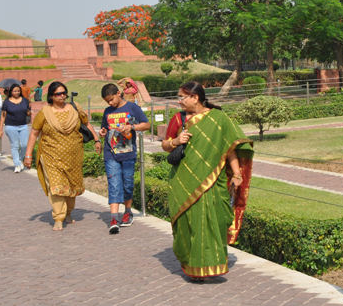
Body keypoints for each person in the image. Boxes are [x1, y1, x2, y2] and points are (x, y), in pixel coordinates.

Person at [163, 81, 254, 280]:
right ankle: (191, 264)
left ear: (195, 98)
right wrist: (176, 141)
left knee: (215, 222)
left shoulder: (218, 118)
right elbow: (165, 144)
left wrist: (237, 174)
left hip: (213, 182)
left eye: (182, 97)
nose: (179, 101)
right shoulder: (178, 119)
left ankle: (211, 264)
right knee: (188, 224)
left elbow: (229, 149)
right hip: (183, 180)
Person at [23, 81, 101, 231]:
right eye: (59, 93)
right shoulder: (45, 112)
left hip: (74, 156)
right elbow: (34, 133)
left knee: (71, 186)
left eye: (64, 92)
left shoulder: (75, 108)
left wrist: (96, 140)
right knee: (56, 187)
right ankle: (58, 217)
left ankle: (68, 213)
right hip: (51, 155)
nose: (63, 96)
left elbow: (87, 123)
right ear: (51, 96)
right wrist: (28, 155)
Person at [98, 83, 150, 234]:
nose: (110, 103)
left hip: (128, 153)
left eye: (111, 99)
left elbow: (146, 125)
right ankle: (114, 218)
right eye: (107, 101)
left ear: (118, 93)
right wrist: (102, 132)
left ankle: (127, 211)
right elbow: (105, 128)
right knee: (114, 184)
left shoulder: (132, 108)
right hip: (111, 153)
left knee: (127, 184)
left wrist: (131, 127)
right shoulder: (108, 111)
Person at [0, 84, 31, 173]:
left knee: (24, 145)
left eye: (18, 91)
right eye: (15, 91)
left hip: (23, 125)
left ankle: (20, 159)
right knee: (15, 146)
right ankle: (17, 164)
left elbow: (28, 110)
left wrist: (29, 113)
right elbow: (3, 115)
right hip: (11, 126)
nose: (17, 93)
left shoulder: (24, 100)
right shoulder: (7, 102)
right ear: (11, 92)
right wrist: (0, 129)